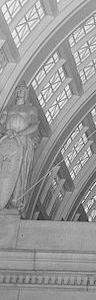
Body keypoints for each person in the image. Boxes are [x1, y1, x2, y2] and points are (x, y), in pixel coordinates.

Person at [0, 81, 40, 214]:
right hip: (7, 140)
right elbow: (1, 123)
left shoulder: (31, 109)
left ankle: (15, 201)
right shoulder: (8, 108)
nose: (20, 91)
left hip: (22, 142)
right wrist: (6, 132)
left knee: (20, 172)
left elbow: (34, 125)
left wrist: (20, 133)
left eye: (22, 89)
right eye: (18, 89)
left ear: (27, 92)